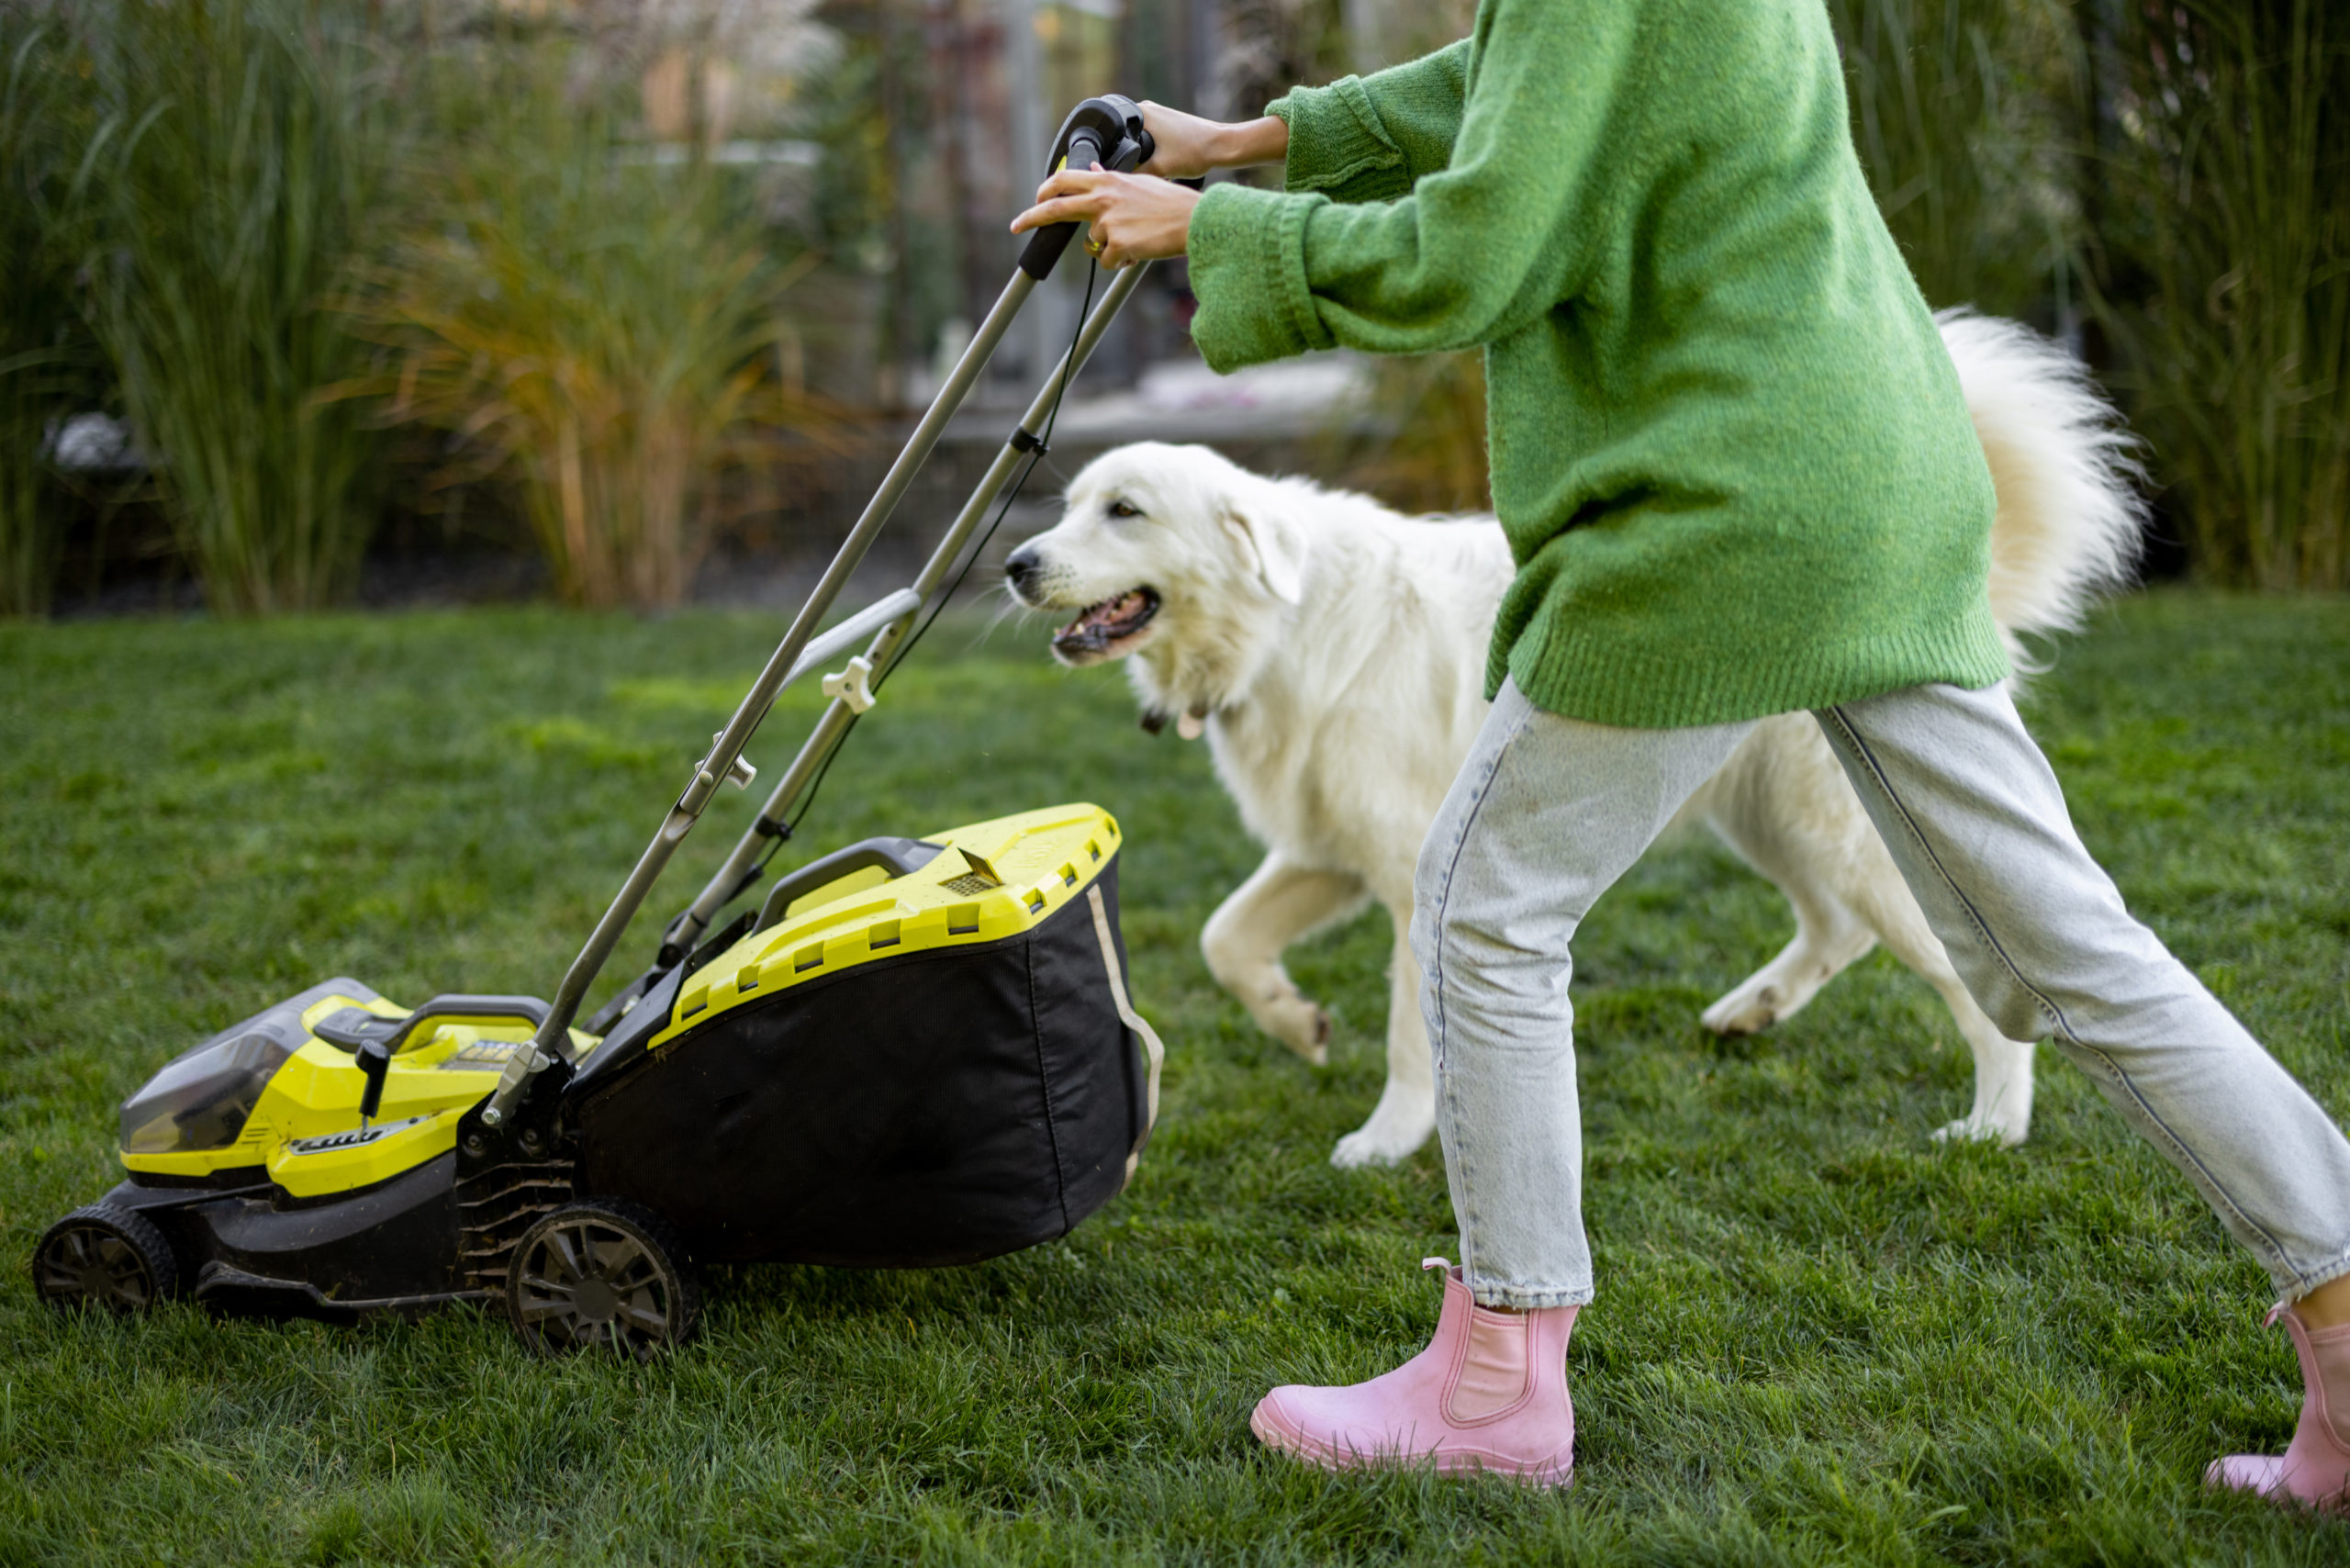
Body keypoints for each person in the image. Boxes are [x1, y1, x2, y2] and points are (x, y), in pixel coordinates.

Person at [1010, 0, 2350, 1506]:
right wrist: (1269, 137)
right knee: (2069, 945)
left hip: (1725, 515)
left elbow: (1479, 250)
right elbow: (1533, 87)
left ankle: (1499, 1386)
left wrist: (1218, 227)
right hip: (1874, 481)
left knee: (1480, 908)